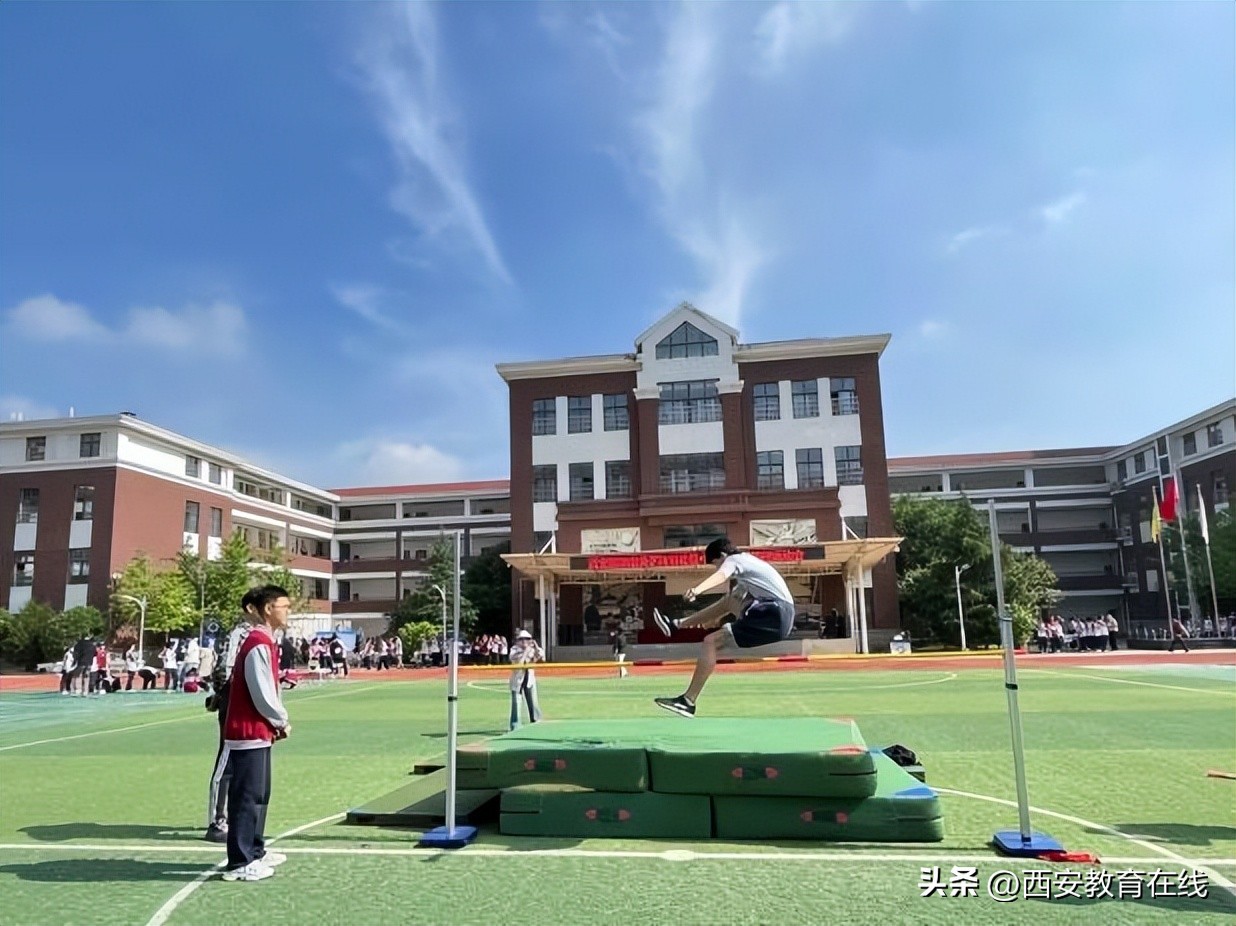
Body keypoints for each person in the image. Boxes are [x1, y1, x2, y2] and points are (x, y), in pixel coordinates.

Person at [652, 537, 796, 718]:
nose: (718, 568)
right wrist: (716, 618)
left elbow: (721, 576)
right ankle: (676, 625)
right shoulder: (749, 565)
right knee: (732, 597)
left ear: (722, 555)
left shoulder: (734, 560)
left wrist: (697, 590)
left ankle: (688, 701)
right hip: (780, 615)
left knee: (710, 642)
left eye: (716, 564)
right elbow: (730, 603)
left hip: (772, 613)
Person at [221, 585, 292, 882]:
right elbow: (262, 692)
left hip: (259, 731)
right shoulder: (258, 643)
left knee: (259, 794)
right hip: (248, 730)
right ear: (267, 609)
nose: (288, 612)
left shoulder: (265, 641)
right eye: (284, 606)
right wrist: (281, 720)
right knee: (247, 796)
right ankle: (240, 860)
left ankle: (255, 850)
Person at [204, 590, 259, 844]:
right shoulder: (240, 633)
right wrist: (223, 695)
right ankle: (217, 819)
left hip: (250, 702)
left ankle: (235, 814)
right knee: (227, 758)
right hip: (234, 701)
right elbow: (224, 667)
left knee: (246, 760)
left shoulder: (261, 635)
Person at [507, 629, 544, 730]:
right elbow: (519, 664)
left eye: (527, 639)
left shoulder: (532, 649)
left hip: (529, 680)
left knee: (533, 702)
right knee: (516, 704)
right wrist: (525, 652)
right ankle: (515, 725)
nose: (524, 642)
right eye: (522, 639)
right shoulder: (514, 650)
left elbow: (541, 657)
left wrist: (536, 646)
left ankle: (536, 720)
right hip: (517, 681)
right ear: (518, 641)